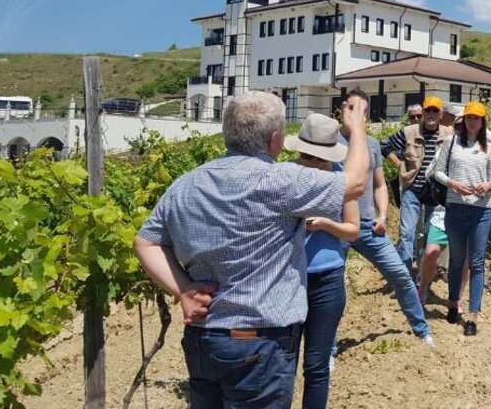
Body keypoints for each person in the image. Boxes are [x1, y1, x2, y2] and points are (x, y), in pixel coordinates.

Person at [134, 91, 368, 407]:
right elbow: (355, 183)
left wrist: (184, 289)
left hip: (204, 341)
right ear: (274, 139)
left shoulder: (186, 183)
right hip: (259, 346)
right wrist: (357, 127)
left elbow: (145, 242)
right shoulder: (279, 180)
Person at [343, 90, 434, 344]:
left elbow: (380, 185)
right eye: (353, 109)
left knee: (401, 276)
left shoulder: (371, 144)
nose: (358, 116)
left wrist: (382, 215)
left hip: (367, 225)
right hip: (336, 228)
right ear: (343, 109)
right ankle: (328, 351)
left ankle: (422, 331)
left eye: (363, 111)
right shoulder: (330, 142)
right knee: (333, 291)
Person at [284, 113, 359, 409]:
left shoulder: (341, 180)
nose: (312, 162)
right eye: (307, 155)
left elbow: (353, 230)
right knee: (284, 363)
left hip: (327, 280)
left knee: (316, 365)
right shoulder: (286, 175)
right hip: (289, 277)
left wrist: (324, 224)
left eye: (319, 157)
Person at [432, 100, 491, 337]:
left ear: (482, 121)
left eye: (476, 118)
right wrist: (453, 184)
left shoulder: (489, 147)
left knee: (477, 262)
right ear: (464, 119)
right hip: (456, 207)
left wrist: (488, 185)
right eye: (469, 117)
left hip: (482, 210)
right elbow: (437, 172)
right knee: (457, 259)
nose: (472, 121)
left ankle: (472, 315)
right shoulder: (451, 143)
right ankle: (453, 303)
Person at [382, 96, 453, 276]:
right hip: (412, 189)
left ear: (441, 114)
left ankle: (422, 276)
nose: (431, 114)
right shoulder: (409, 132)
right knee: (407, 233)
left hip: (436, 192)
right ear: (423, 112)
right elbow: (385, 145)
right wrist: (398, 163)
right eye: (428, 110)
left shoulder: (449, 134)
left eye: (435, 110)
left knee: (430, 236)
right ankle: (404, 277)